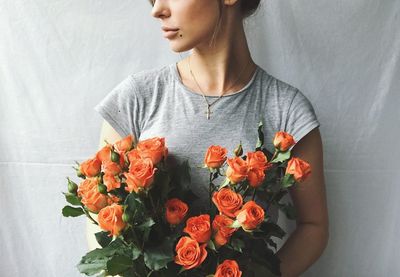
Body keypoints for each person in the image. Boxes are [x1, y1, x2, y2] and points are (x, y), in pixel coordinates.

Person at [88, 0, 329, 276]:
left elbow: (313, 226)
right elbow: (102, 219)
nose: (157, 10)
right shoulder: (137, 97)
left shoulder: (286, 109)